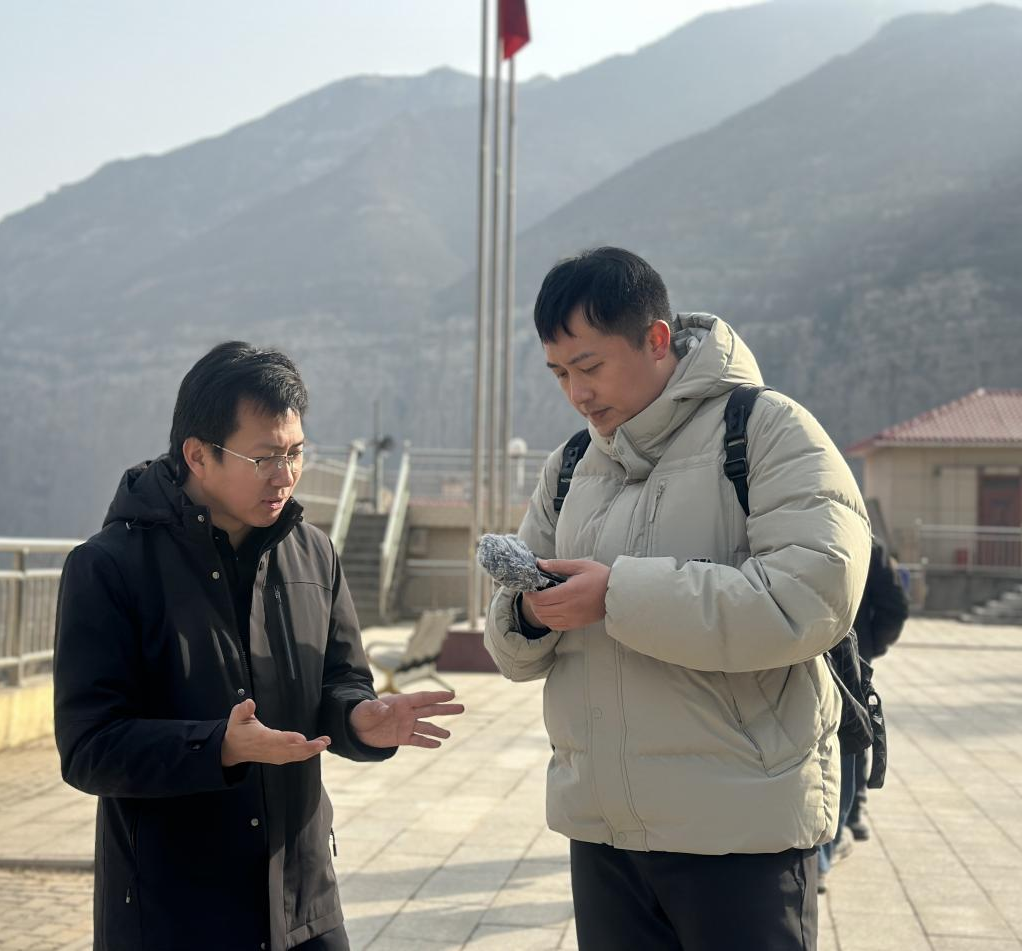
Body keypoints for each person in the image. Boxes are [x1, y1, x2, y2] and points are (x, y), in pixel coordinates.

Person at [483, 248, 872, 949]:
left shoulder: (765, 429)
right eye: (559, 373)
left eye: (590, 365)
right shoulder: (572, 463)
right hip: (602, 833)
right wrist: (529, 614)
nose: (576, 391)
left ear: (656, 339)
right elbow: (509, 645)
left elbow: (808, 597)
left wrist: (618, 593)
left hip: (739, 834)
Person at [53, 342, 464, 951]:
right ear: (198, 455)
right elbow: (88, 747)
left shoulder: (314, 554)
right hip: (175, 914)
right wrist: (217, 746)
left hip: (303, 903)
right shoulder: (108, 569)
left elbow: (340, 682)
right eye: (265, 457)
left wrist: (361, 719)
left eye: (296, 453)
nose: (286, 475)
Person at [844, 540, 908, 841]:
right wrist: (871, 646)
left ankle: (850, 812)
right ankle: (853, 812)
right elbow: (894, 608)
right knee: (853, 730)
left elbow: (894, 609)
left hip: (810, 649)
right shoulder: (869, 544)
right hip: (854, 655)